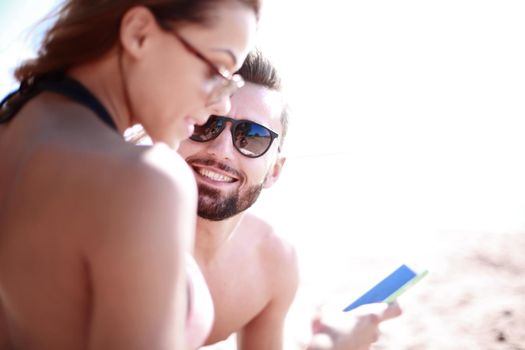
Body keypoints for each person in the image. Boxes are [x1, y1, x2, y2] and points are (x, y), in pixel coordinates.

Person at [0, 1, 260, 349]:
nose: (223, 104)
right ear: (139, 34)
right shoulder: (144, 181)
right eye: (217, 69)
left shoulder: (13, 125)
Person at [177, 51, 402, 350]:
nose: (222, 150)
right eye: (207, 123)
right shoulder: (119, 241)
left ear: (275, 171)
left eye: (253, 137)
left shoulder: (272, 259)